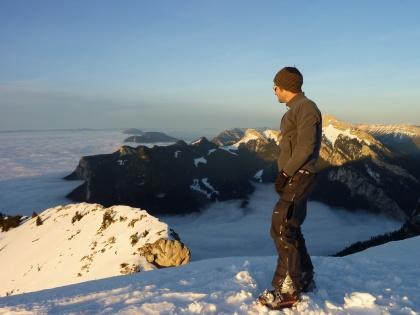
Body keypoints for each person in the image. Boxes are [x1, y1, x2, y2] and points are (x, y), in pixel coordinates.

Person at [257, 66, 322, 310]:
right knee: (290, 225)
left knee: (282, 226)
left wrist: (286, 173)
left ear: (284, 87)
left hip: (299, 175)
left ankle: (287, 290)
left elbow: (306, 146)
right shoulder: (297, 109)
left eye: (275, 87)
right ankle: (304, 275)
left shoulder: (305, 108)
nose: (274, 92)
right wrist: (284, 174)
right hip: (295, 176)